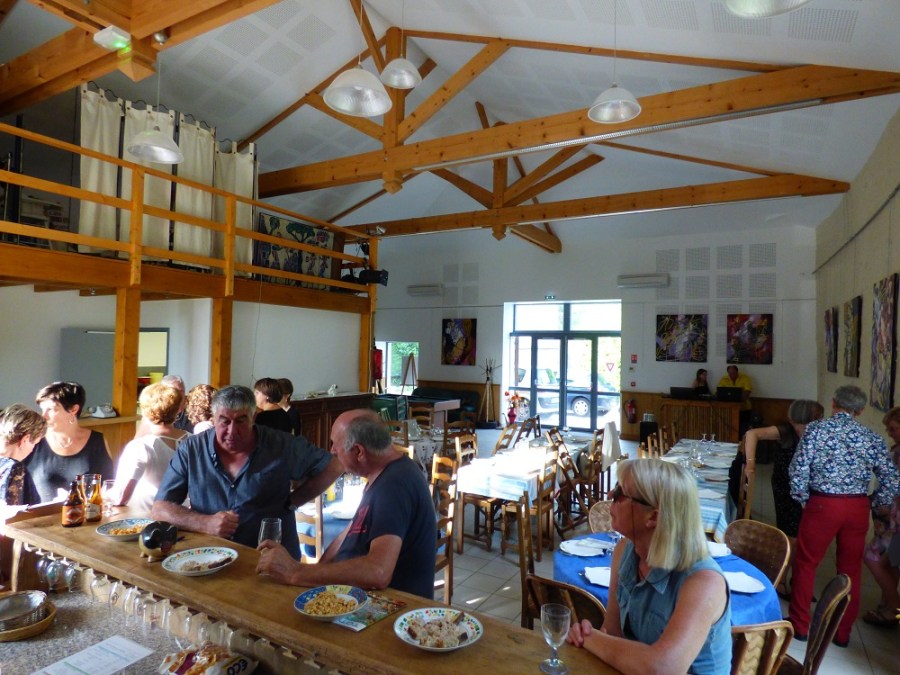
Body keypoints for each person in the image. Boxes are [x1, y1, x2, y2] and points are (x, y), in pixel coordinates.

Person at [566, 459, 731, 674]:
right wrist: (593, 637)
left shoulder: (704, 582)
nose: (610, 495)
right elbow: (612, 632)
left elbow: (664, 668)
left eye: (620, 494)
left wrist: (590, 638)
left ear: (652, 516)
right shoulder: (625, 551)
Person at [256, 409, 437, 598]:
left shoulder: (394, 486)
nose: (332, 451)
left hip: (391, 607)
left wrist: (296, 572)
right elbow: (347, 534)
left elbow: (378, 572)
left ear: (358, 451)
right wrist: (312, 575)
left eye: (335, 444)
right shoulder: (382, 475)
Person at [151, 385, 342, 558]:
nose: (232, 431)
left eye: (241, 421)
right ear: (213, 418)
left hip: (271, 559)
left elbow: (335, 466)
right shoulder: (192, 450)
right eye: (224, 421)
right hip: (210, 558)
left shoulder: (281, 445)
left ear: (253, 417)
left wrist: (295, 500)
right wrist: (205, 523)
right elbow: (160, 509)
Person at [788, 385, 900, 646]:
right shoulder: (872, 437)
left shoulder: (815, 429)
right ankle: (841, 633)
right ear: (860, 411)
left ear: (833, 402)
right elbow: (891, 478)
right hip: (857, 507)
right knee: (850, 571)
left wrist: (803, 498)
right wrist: (876, 503)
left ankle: (800, 625)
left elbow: (798, 469)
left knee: (806, 563)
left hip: (822, 504)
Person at [741, 399, 824, 597]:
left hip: (809, 489)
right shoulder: (786, 431)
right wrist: (750, 463)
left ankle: (797, 581)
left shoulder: (818, 432)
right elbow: (752, 434)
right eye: (818, 416)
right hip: (785, 487)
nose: (821, 419)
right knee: (791, 535)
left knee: (804, 535)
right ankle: (781, 580)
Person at [24, 381, 113, 502]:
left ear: (73, 409)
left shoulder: (97, 441)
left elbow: (108, 487)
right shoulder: (33, 441)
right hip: (41, 514)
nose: (44, 416)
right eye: (43, 409)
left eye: (51, 409)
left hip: (87, 513)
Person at [111, 383, 190, 512]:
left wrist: (103, 495)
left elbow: (121, 497)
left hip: (147, 518)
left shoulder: (140, 447)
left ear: (144, 411)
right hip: (186, 514)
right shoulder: (194, 440)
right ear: (178, 410)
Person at [862, 406, 900, 627]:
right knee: (890, 564)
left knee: (873, 558)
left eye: (893, 429)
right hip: (889, 518)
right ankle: (887, 608)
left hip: (894, 521)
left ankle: (895, 607)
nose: (889, 433)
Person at [0, 404, 44, 506]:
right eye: (34, 443)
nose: (32, 449)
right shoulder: (15, 468)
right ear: (25, 439)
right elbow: (12, 513)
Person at [718, 365, 756, 435]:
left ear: (737, 372)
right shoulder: (724, 379)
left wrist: (739, 401)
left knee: (744, 428)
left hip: (744, 409)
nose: (732, 375)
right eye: (730, 373)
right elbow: (720, 392)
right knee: (731, 429)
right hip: (729, 409)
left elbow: (747, 391)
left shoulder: (744, 378)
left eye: (734, 373)